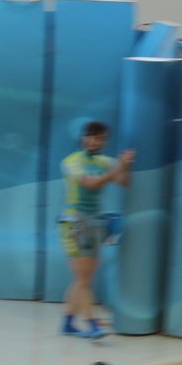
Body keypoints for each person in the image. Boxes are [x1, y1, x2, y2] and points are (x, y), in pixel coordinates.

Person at [60, 120, 134, 338]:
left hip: (95, 222)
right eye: (92, 137)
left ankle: (67, 323)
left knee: (84, 279)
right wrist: (115, 170)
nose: (96, 141)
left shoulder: (106, 161)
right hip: (74, 223)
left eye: (101, 138)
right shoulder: (71, 161)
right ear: (84, 138)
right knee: (83, 279)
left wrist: (125, 165)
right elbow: (90, 184)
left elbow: (123, 181)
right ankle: (92, 323)